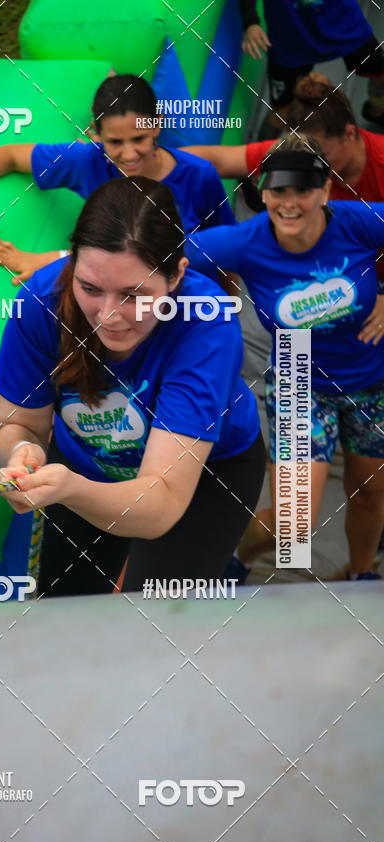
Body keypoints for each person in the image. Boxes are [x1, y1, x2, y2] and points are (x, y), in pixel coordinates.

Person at [0, 177, 264, 596]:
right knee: (60, 609)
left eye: (134, 294)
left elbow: (162, 502)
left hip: (209, 471)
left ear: (177, 276)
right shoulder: (39, 302)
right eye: (89, 288)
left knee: (156, 624)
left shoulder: (206, 324)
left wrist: (71, 488)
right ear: (72, 265)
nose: (109, 316)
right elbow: (18, 424)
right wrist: (22, 451)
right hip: (86, 459)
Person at [186, 135, 384, 582]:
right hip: (299, 373)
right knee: (294, 525)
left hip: (373, 375)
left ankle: (361, 573)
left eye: (303, 190)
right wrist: (55, 260)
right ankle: (242, 556)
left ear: (326, 190)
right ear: (264, 192)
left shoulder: (360, 224)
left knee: (371, 495)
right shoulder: (244, 242)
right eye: (278, 190)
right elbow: (154, 257)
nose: (290, 203)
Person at [0, 74, 236, 290]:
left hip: (184, 301)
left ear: (158, 125)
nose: (129, 154)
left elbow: (226, 252)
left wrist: (230, 308)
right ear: (95, 134)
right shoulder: (88, 161)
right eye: (115, 142)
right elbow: (11, 156)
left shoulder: (197, 177)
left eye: (140, 138)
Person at [187, 74, 384, 294]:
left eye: (324, 156)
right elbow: (219, 160)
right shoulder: (299, 154)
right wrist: (153, 161)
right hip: (331, 281)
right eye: (279, 191)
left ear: (349, 134)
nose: (311, 168)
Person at [237, 0, 384, 138]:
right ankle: (260, 157)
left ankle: (376, 110)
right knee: (282, 112)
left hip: (342, 21)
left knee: (380, 72)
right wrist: (251, 23)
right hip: (290, 38)